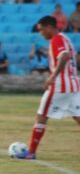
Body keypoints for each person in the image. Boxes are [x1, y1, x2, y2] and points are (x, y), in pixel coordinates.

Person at [17, 16, 80, 159]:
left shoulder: (56, 39)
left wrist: (52, 77)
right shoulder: (65, 38)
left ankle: (31, 152)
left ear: (49, 27)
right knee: (78, 117)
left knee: (41, 116)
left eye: (41, 30)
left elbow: (64, 56)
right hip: (74, 85)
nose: (41, 33)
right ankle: (31, 152)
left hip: (60, 86)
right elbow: (72, 58)